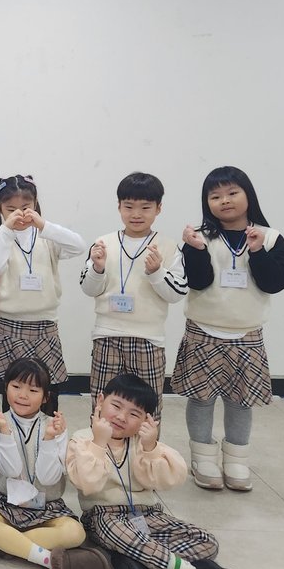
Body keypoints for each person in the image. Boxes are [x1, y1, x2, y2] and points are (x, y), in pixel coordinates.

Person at [67, 373, 246, 569]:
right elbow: (87, 483)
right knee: (121, 534)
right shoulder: (83, 439)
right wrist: (99, 443)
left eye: (134, 414)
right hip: (103, 515)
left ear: (146, 420)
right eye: (116, 406)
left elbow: (171, 478)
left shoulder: (143, 442)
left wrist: (151, 448)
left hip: (148, 514)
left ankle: (142, 565)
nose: (122, 417)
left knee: (206, 541)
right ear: (100, 401)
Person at [173, 167, 284, 491]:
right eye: (215, 196)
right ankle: (202, 458)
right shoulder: (200, 236)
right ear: (207, 202)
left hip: (247, 333)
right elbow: (197, 282)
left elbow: (275, 282)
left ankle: (237, 461)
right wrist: (195, 250)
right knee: (201, 399)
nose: (224, 201)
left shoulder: (269, 237)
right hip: (203, 330)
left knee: (241, 401)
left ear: (248, 195)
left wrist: (257, 251)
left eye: (232, 193)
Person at [0, 358, 110, 569]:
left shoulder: (54, 425)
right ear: (5, 387)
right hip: (8, 500)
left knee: (75, 532)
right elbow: (11, 470)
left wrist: (49, 439)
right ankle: (46, 558)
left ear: (45, 397)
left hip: (47, 503)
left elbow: (48, 478)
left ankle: (3, 545)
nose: (23, 395)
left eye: (33, 390)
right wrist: (4, 431)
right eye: (16, 386)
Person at [79, 172, 187, 418]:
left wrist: (157, 272)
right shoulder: (103, 243)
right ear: (119, 206)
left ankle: (146, 445)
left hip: (149, 339)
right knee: (103, 404)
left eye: (145, 207)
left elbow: (177, 293)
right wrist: (97, 268)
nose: (136, 214)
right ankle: (102, 444)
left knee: (147, 409)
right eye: (128, 206)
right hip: (107, 336)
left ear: (159, 208)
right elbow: (88, 289)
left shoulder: (168, 246)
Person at [0, 174, 86, 406]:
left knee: (47, 394)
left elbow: (79, 245)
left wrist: (44, 225)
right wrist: (5, 231)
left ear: (35, 204)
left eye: (26, 207)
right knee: (13, 396)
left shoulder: (47, 238)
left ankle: (47, 430)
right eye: (11, 209)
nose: (19, 214)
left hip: (45, 326)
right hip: (9, 326)